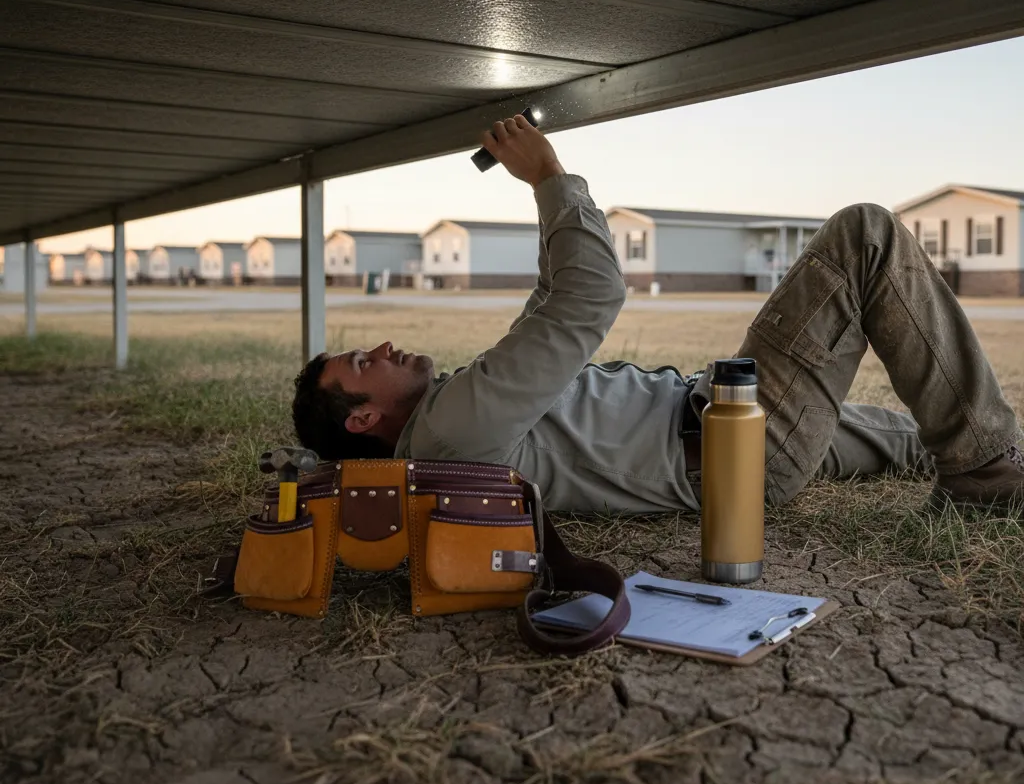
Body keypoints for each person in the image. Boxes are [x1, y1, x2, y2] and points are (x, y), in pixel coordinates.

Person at [292, 115, 1023, 514]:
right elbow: (589, 298)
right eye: (364, 363)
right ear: (362, 420)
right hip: (732, 447)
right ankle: (984, 470)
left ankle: (984, 457)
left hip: (728, 432)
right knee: (866, 234)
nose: (382, 346)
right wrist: (548, 176)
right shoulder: (452, 426)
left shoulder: (452, 427)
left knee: (911, 437)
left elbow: (549, 308)